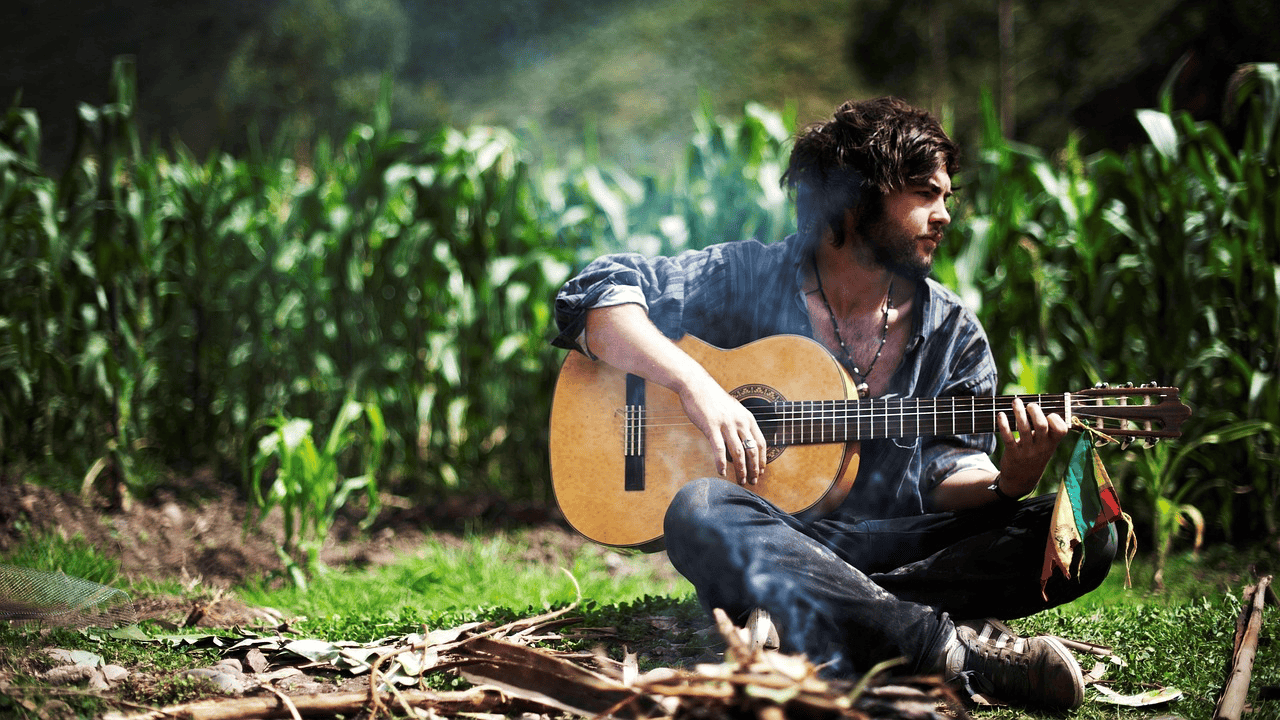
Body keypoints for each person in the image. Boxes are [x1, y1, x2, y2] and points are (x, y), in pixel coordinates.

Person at [551, 96, 1117, 711]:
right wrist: (698, 388)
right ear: (854, 198)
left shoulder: (953, 331)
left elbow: (952, 473)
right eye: (925, 194)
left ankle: (811, 616)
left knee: (1086, 532)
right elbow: (594, 296)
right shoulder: (747, 276)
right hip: (774, 535)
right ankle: (945, 650)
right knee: (699, 507)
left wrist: (1008, 481)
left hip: (895, 544)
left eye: (946, 197)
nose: (945, 215)